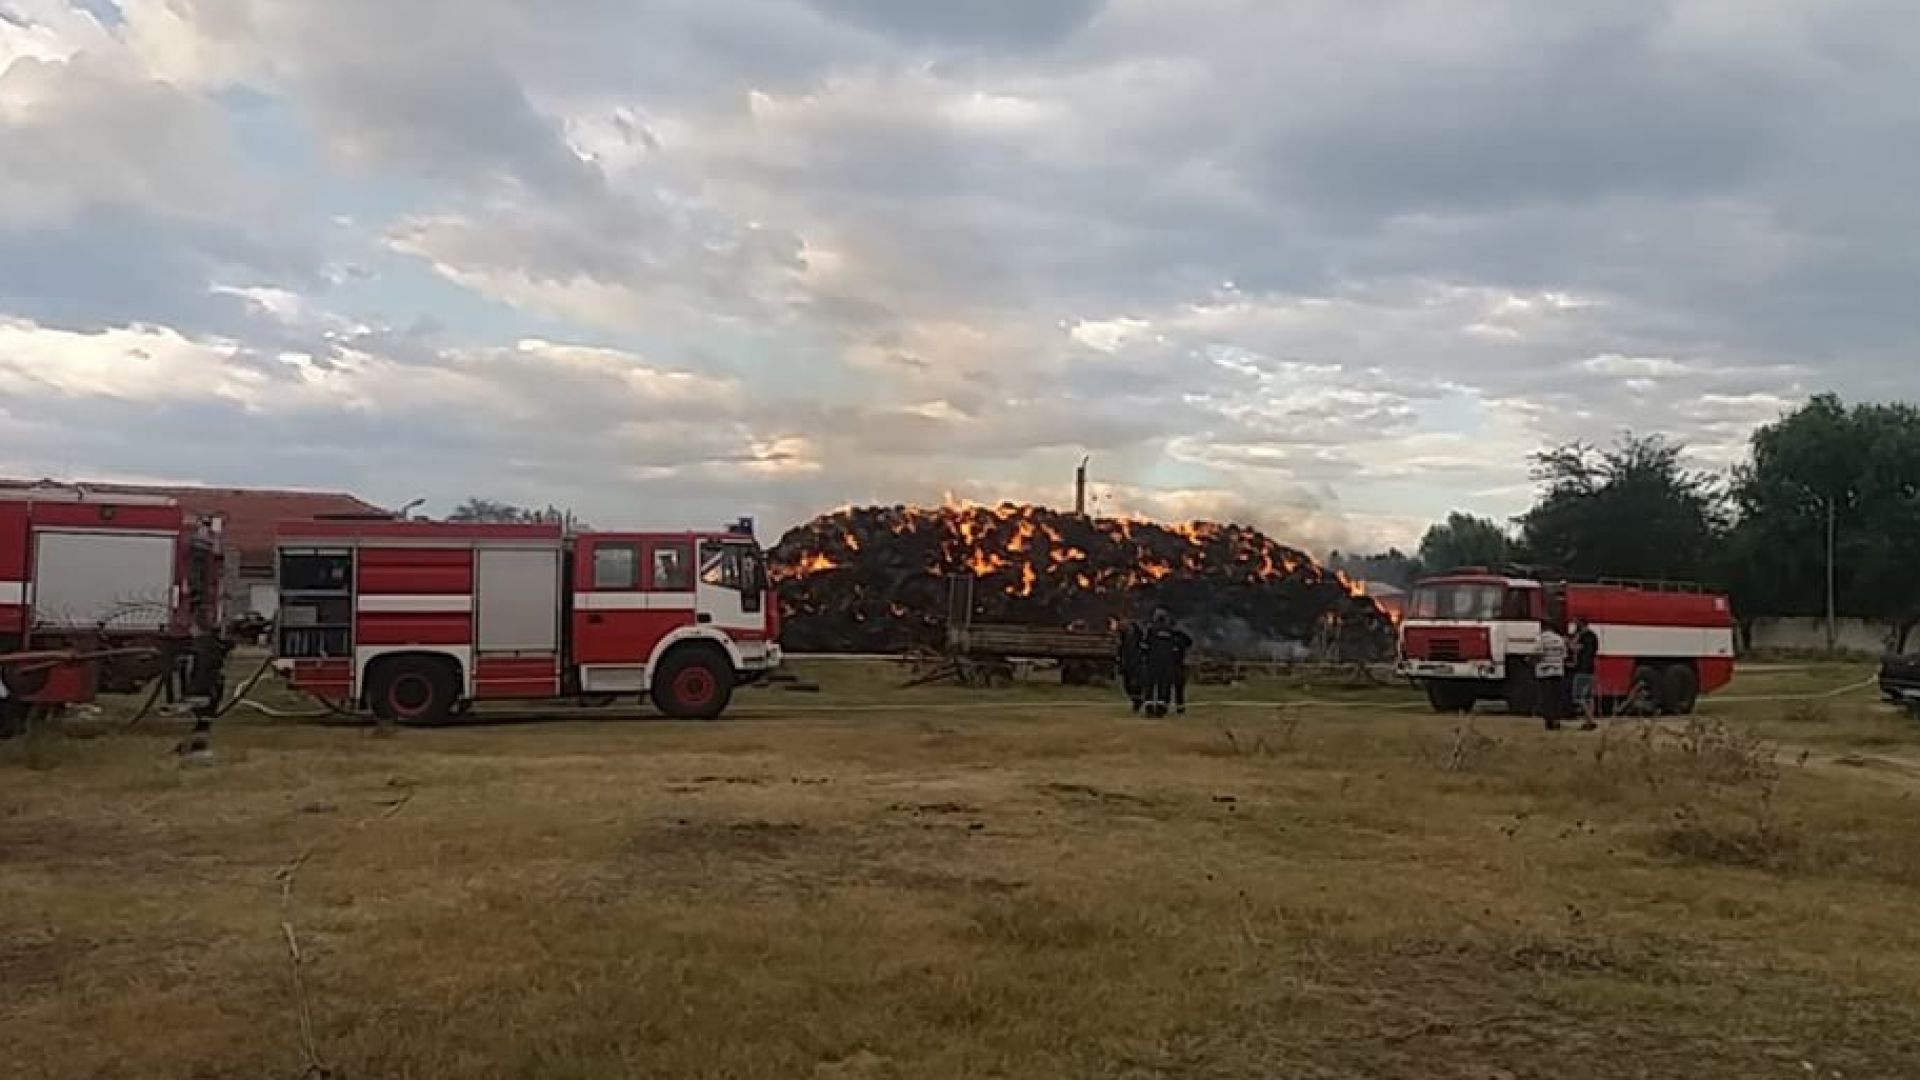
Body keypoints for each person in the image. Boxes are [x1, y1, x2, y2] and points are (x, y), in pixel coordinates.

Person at [1141, 609, 1194, 717]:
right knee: (1164, 685)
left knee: (1149, 685)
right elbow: (1187, 642)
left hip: (1152, 662)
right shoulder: (1172, 631)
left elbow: (1144, 646)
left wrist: (1144, 657)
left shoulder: (1151, 630)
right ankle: (1162, 709)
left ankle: (1149, 709)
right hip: (1168, 663)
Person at [1535, 623, 1568, 731]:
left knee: (1547, 699)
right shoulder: (1559, 639)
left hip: (1545, 672)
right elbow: (1564, 655)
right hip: (1558, 671)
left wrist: (1530, 660)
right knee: (1556, 698)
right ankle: (1557, 720)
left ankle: (1549, 721)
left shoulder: (1541, 638)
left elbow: (1538, 654)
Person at [1571, 617, 1600, 730]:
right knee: (1589, 697)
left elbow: (1574, 647)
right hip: (1591, 669)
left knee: (1578, 697)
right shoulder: (1593, 636)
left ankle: (1590, 720)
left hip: (1582, 669)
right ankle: (1589, 720)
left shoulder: (1582, 636)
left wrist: (1573, 639)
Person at [1116, 620, 1145, 713]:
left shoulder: (1138, 636)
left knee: (1136, 685)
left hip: (1136, 663)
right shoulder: (1122, 638)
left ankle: (1137, 702)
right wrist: (1120, 662)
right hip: (1126, 663)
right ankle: (1136, 701)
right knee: (1127, 685)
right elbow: (1120, 651)